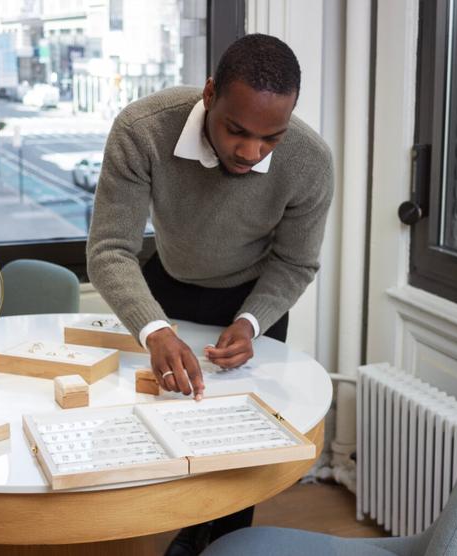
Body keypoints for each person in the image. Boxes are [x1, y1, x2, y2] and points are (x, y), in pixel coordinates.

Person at [87, 34, 333, 555]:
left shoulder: (310, 162)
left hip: (251, 300)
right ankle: (165, 526)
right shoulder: (142, 129)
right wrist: (153, 329)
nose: (251, 152)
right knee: (154, 420)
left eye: (271, 138)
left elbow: (295, 262)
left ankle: (220, 541)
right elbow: (110, 249)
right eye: (237, 130)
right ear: (208, 95)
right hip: (166, 286)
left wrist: (251, 323)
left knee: (236, 448)